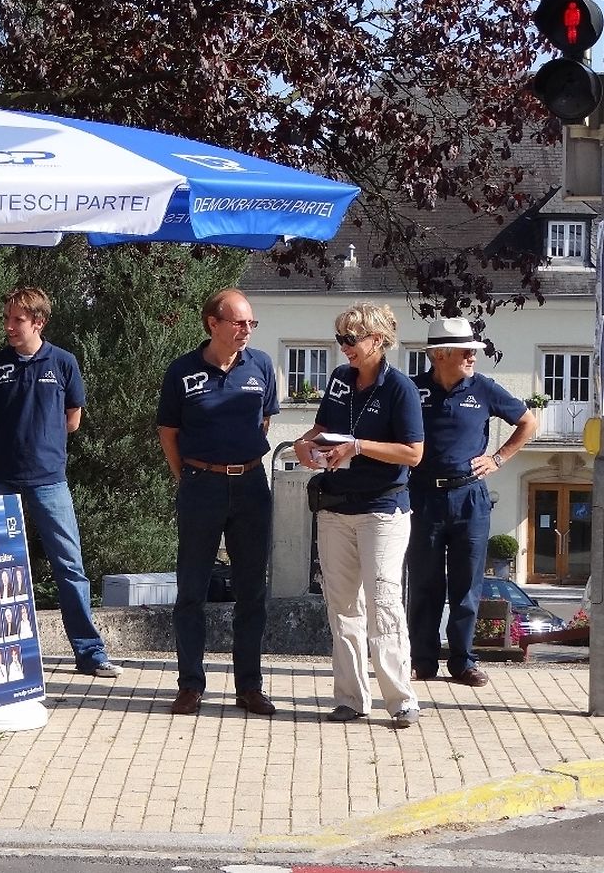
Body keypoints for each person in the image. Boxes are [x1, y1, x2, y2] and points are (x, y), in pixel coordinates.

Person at [292, 302, 424, 729]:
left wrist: (359, 447)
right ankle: (350, 697)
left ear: (378, 340)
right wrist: (302, 445)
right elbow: (319, 430)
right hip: (335, 507)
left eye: (351, 338)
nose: (344, 346)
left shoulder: (400, 388)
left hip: (381, 511)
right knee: (342, 605)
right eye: (340, 338)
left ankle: (401, 700)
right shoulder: (338, 379)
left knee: (383, 603)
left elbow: (413, 453)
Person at [0, 287, 122, 678]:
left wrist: (42, 440)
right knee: (0, 567)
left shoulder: (63, 362)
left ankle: (90, 652)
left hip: (49, 480)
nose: (9, 326)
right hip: (1, 481)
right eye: (6, 318)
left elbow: (73, 419)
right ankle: (3, 653)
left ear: (38, 322)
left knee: (69, 565)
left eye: (17, 319)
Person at [157, 288, 279, 717]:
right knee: (192, 589)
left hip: (251, 486)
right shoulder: (182, 371)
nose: (247, 330)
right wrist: (189, 477)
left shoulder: (261, 365)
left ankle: (249, 686)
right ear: (213, 323)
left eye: (251, 323)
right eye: (239, 322)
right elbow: (168, 432)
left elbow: (263, 421)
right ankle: (190, 684)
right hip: (201, 485)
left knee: (252, 590)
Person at [407, 317, 537, 687]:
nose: (472, 357)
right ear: (440, 354)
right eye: (465, 351)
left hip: (470, 497)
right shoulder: (412, 389)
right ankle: (422, 661)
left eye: (473, 351)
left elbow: (528, 423)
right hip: (422, 496)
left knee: (467, 586)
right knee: (424, 582)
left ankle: (463, 661)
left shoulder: (483, 388)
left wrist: (498, 458)